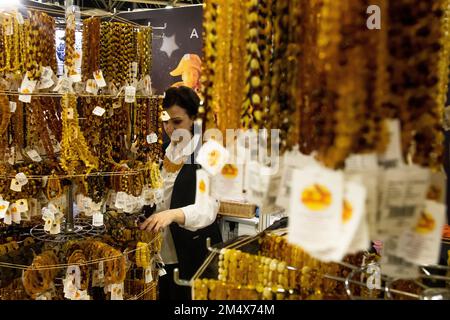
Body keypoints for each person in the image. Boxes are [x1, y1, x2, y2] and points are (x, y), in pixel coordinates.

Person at [140, 86, 222, 300]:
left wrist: (172, 214)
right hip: (162, 253)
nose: (169, 128)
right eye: (165, 121)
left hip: (194, 255)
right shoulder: (164, 150)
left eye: (177, 122)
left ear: (194, 119)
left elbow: (207, 209)